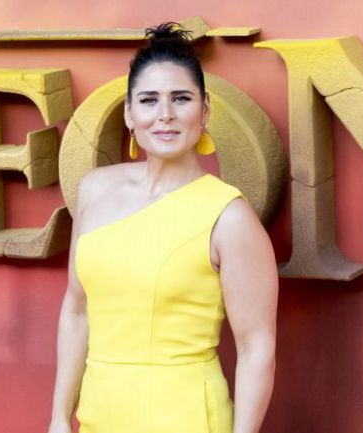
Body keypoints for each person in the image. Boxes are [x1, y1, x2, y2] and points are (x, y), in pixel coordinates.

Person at [48, 22, 278, 433]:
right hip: (98, 417)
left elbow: (256, 347)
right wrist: (59, 419)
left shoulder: (229, 217)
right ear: (129, 112)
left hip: (186, 418)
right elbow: (76, 309)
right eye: (149, 100)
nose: (165, 115)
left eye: (181, 99)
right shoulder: (95, 190)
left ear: (205, 110)